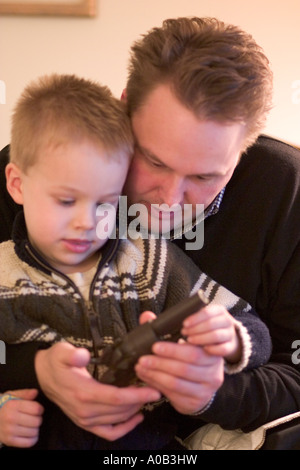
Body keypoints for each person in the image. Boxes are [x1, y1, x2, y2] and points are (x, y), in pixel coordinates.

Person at [0, 16, 300, 449]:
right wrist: (37, 370)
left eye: (203, 177)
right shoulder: (45, 173)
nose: (170, 199)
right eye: (154, 161)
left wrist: (213, 393)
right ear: (124, 107)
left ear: (244, 151)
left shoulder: (285, 192)